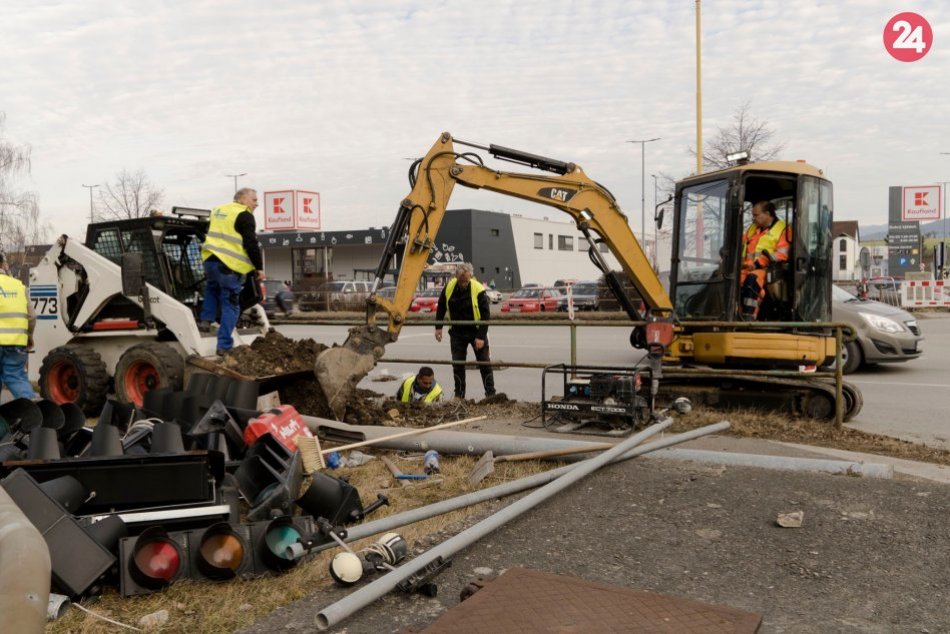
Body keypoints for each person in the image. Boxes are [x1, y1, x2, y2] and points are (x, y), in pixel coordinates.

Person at [199, 188, 265, 354]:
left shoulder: (218, 210)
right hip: (228, 266)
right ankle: (224, 346)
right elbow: (251, 243)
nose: (257, 204)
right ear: (242, 199)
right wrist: (259, 267)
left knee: (212, 289)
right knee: (231, 306)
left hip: (210, 260)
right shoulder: (244, 214)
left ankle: (206, 320)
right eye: (254, 200)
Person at [435, 263, 496, 399]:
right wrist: (438, 327)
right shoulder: (450, 287)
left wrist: (481, 337)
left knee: (484, 363)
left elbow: (486, 315)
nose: (463, 284)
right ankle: (459, 396)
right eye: (461, 281)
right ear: (456, 277)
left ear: (470, 277)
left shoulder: (478, 289)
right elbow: (441, 306)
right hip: (457, 333)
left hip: (476, 331)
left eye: (466, 281)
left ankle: (491, 394)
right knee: (458, 365)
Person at [739, 200, 790, 319]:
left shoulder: (783, 229)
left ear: (767, 214)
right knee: (732, 279)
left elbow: (782, 255)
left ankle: (749, 315)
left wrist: (758, 264)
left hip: (769, 270)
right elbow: (740, 244)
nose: (753, 218)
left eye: (756, 215)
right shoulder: (752, 228)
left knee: (752, 280)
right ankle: (736, 312)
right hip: (747, 268)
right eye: (752, 215)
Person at [0, 252, 37, 400]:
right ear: (2, 264)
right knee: (16, 377)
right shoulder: (18, 286)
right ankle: (31, 415)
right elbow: (32, 316)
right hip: (17, 343)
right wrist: (29, 337)